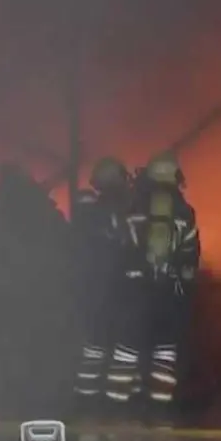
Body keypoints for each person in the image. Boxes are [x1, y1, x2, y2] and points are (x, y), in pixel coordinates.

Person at [115, 153, 201, 422]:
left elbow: (119, 248)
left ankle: (118, 407)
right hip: (168, 294)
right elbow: (191, 255)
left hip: (135, 292)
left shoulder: (132, 208)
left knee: (128, 349)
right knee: (164, 349)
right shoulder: (185, 213)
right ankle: (159, 408)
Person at [69, 157, 133, 413]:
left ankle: (89, 400)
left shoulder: (94, 215)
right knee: (116, 346)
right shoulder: (110, 215)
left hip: (95, 291)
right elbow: (122, 248)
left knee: (97, 347)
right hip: (109, 289)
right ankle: (112, 403)